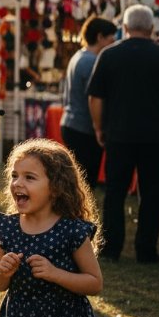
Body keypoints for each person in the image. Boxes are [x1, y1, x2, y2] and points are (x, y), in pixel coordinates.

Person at [0, 139, 103, 317]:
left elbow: (95, 283)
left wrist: (55, 274)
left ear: (56, 188)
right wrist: (2, 273)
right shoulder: (8, 229)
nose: (17, 183)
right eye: (14, 176)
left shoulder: (71, 231)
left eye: (29, 177)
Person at [88, 4, 159, 264]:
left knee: (115, 193)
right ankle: (146, 250)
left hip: (119, 135)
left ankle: (111, 248)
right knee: (152, 194)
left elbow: (95, 97)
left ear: (124, 28)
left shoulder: (109, 55)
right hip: (156, 137)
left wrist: (99, 128)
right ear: (151, 28)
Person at [60, 16, 117, 188]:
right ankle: (78, 215)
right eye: (111, 39)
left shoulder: (80, 55)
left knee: (78, 181)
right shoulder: (92, 61)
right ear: (100, 37)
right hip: (83, 128)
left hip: (73, 124)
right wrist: (99, 127)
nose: (113, 43)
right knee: (84, 184)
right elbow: (95, 98)